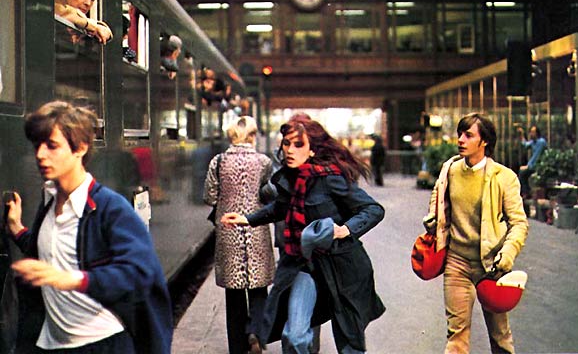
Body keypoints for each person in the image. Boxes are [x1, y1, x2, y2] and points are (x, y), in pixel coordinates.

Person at [5, 101, 172, 354]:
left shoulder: (109, 208)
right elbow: (55, 251)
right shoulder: (49, 201)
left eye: (51, 146)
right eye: (37, 145)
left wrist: (72, 279)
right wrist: (18, 229)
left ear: (80, 148)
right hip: (51, 344)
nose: (40, 154)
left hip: (101, 345)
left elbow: (140, 273)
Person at [221, 113, 385, 354]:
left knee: (350, 345)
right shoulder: (291, 179)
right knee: (295, 337)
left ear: (312, 150)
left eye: (298, 144)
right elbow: (279, 208)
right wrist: (246, 219)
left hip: (342, 269)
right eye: (286, 143)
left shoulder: (330, 178)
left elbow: (373, 209)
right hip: (304, 267)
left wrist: (345, 229)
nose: (289, 149)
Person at [423, 113, 529, 354]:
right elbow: (437, 203)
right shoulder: (449, 170)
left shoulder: (504, 177)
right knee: (456, 334)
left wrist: (508, 253)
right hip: (456, 262)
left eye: (468, 135)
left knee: (500, 335)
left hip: (491, 265)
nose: (460, 139)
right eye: (460, 133)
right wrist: (432, 220)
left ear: (484, 142)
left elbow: (519, 223)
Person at [204, 116, 276, 354]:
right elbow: (270, 192)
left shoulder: (219, 161)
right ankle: (255, 331)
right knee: (258, 287)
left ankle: (237, 346)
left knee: (234, 293)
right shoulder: (264, 162)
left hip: (229, 230)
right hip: (256, 228)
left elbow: (209, 196)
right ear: (253, 136)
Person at [517, 125, 547, 197]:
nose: (531, 134)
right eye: (531, 132)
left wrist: (528, 166)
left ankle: (526, 193)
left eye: (533, 132)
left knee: (522, 173)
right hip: (533, 165)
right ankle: (526, 191)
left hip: (539, 165)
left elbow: (537, 156)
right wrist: (522, 134)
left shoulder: (541, 142)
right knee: (522, 174)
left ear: (537, 133)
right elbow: (525, 144)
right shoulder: (533, 142)